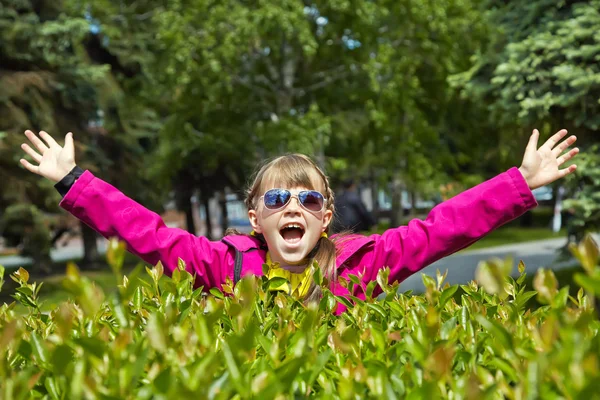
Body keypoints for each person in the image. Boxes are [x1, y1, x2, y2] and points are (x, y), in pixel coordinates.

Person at [18, 129, 579, 313]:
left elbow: (442, 228)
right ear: (255, 219)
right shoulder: (223, 265)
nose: (294, 208)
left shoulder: (364, 263)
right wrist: (74, 183)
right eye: (278, 200)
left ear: (327, 217)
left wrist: (519, 185)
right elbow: (150, 234)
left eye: (308, 202)